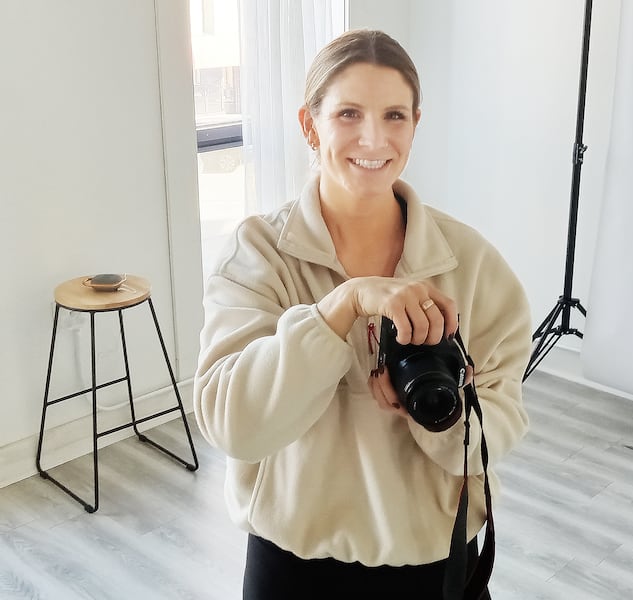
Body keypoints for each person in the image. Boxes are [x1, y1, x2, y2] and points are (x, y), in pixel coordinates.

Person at [193, 29, 532, 599]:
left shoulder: (472, 265)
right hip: (294, 565)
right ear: (310, 125)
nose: (373, 138)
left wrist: (439, 418)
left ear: (415, 124)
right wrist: (341, 306)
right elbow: (234, 425)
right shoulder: (259, 255)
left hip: (436, 562)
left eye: (394, 115)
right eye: (348, 113)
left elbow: (499, 424)